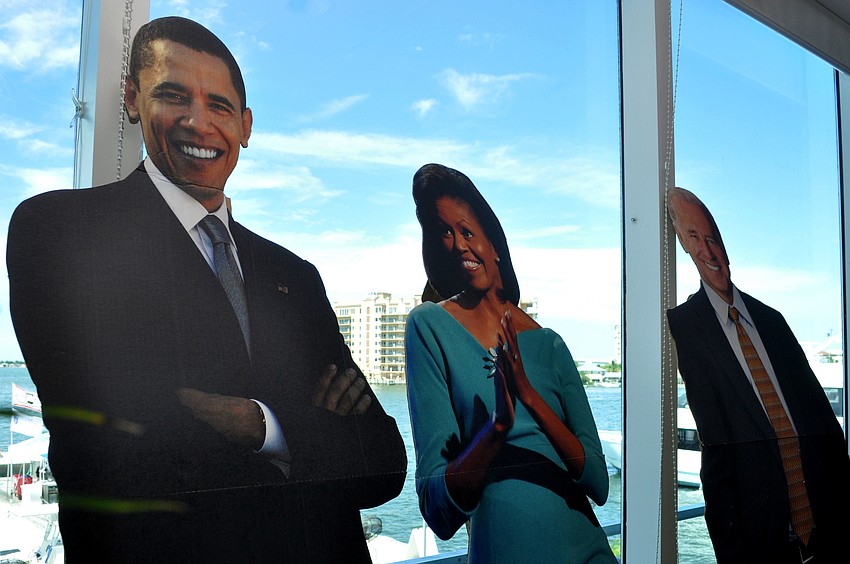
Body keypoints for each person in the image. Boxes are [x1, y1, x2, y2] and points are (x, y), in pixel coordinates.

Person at [7, 16, 405, 563]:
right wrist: (309, 426)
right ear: (132, 100)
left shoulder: (296, 274)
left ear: (245, 126)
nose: (199, 122)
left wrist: (257, 423)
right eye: (174, 96)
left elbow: (384, 462)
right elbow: (118, 450)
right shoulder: (61, 232)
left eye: (219, 106)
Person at [405, 164, 616, 563]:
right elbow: (437, 508)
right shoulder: (428, 326)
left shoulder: (550, 344)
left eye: (467, 231)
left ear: (493, 242)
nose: (459, 244)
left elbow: (598, 483)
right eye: (444, 234)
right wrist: (498, 426)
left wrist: (530, 398)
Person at [666, 187, 849, 563]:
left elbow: (825, 425)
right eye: (694, 239)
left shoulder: (772, 320)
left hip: (828, 533)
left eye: (713, 238)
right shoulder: (685, 326)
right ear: (683, 247)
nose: (708, 250)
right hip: (763, 545)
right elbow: (715, 456)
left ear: (725, 244)